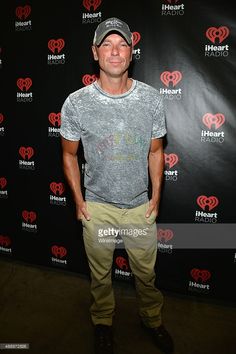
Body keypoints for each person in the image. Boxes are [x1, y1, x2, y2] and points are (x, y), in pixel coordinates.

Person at [60, 17, 174, 354]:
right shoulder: (76, 103)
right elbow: (68, 155)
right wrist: (80, 202)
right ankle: (102, 323)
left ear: (131, 52)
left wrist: (156, 197)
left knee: (146, 275)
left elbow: (156, 150)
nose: (115, 51)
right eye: (107, 44)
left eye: (122, 44)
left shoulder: (151, 99)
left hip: (140, 206)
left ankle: (152, 320)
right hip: (98, 208)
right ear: (95, 52)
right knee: (100, 277)